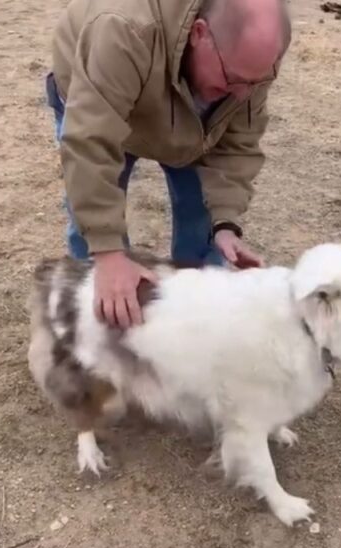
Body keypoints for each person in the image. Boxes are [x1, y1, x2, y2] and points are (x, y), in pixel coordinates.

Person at [45, 0, 292, 328]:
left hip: (186, 109)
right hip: (101, 91)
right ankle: (91, 328)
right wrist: (107, 253)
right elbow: (90, 143)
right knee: (93, 231)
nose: (242, 95)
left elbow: (239, 139)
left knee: (201, 221)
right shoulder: (123, 26)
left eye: (254, 83)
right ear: (200, 34)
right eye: (233, 79)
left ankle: (192, 323)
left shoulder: (251, 59)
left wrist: (225, 224)